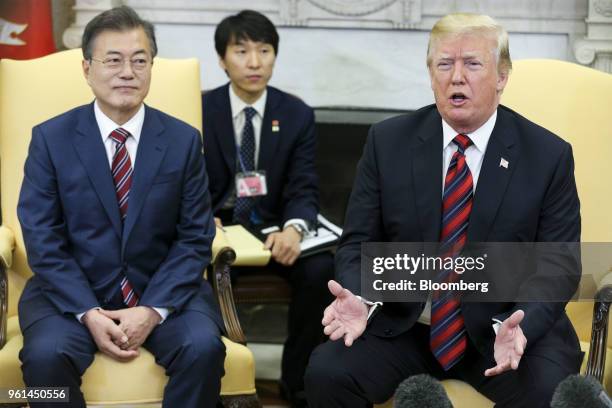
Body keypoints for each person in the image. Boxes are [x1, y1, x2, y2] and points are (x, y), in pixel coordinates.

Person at [305, 13, 583, 407]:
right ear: (431, 74)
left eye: (472, 63)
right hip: (408, 327)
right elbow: (357, 245)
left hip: (505, 330)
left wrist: (523, 323)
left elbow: (559, 264)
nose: (457, 77)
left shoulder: (547, 155)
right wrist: (362, 296)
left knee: (549, 390)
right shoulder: (388, 142)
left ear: (502, 75)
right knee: (327, 373)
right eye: (444, 64)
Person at [17, 6, 224, 408]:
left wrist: (152, 309)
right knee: (45, 359)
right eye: (113, 60)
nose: (127, 72)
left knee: (203, 348)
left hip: (163, 292)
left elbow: (195, 236)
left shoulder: (183, 141)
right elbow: (42, 237)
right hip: (71, 296)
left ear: (151, 67)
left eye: (139, 60)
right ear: (87, 69)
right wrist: (88, 312)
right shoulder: (50, 139)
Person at [202, 10, 334, 407]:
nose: (255, 61)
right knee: (191, 276)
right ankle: (214, 379)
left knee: (322, 272)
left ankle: (296, 381)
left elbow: (304, 184)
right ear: (222, 59)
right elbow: (181, 183)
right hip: (216, 228)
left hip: (271, 228)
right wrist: (200, 221)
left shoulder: (295, 114)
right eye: (241, 51)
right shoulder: (197, 109)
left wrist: (294, 228)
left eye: (264, 50)